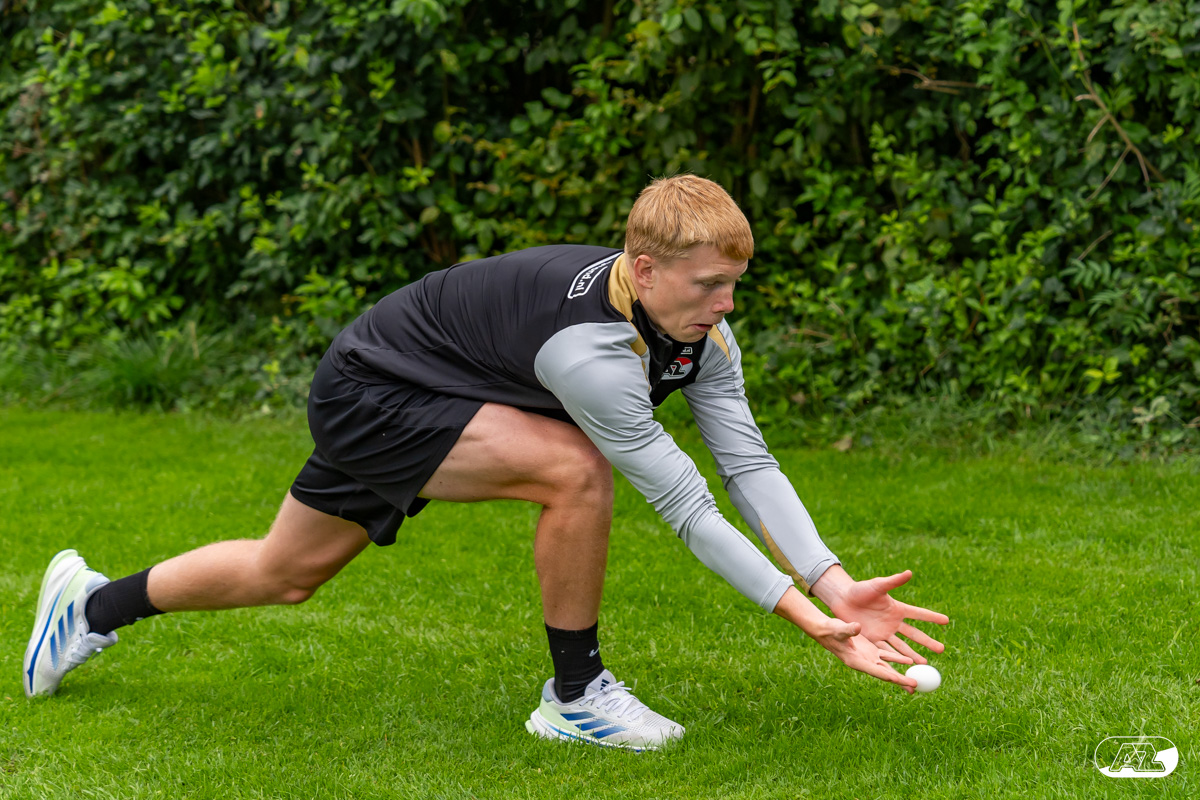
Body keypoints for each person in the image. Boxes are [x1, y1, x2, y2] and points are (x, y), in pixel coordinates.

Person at [24, 175, 948, 751]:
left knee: (285, 572)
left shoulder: (698, 332)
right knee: (574, 471)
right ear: (644, 269)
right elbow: (684, 502)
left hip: (435, 388)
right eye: (710, 285)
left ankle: (89, 606)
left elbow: (746, 466)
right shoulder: (589, 353)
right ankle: (576, 695)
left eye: (735, 283)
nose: (727, 304)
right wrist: (800, 615)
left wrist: (831, 580)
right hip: (373, 390)